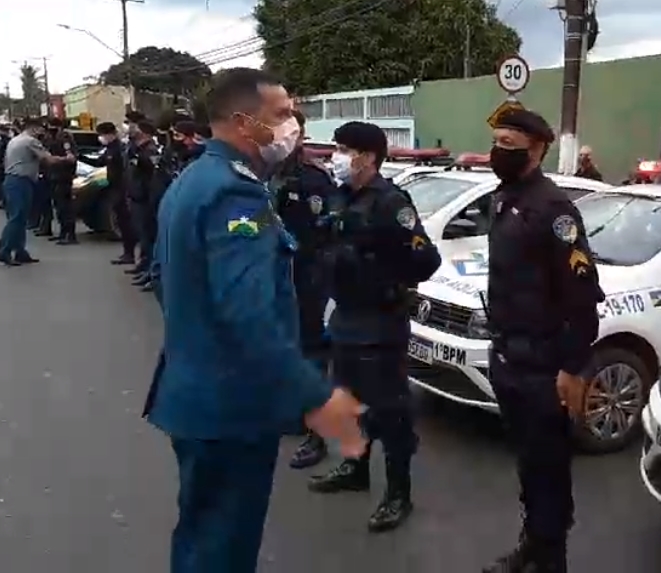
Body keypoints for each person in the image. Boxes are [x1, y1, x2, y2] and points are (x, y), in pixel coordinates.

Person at [143, 67, 366, 573]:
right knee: (224, 548)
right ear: (246, 123)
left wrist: (198, 338)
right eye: (282, 114)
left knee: (200, 535)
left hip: (196, 395)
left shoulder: (192, 180)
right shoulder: (235, 193)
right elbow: (249, 314)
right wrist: (317, 397)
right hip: (232, 409)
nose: (292, 125)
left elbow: (162, 276)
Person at [482, 109, 604, 573]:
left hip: (544, 366)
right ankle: (532, 543)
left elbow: (581, 297)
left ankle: (552, 559)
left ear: (538, 150)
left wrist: (573, 368)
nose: (500, 151)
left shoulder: (554, 210)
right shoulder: (503, 198)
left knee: (549, 470)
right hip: (508, 356)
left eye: (510, 145)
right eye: (497, 141)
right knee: (529, 466)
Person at [306, 120, 440, 533]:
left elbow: (425, 261)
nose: (337, 156)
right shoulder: (340, 195)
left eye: (345, 149)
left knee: (391, 412)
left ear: (367, 157)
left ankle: (398, 493)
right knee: (349, 403)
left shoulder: (389, 203)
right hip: (345, 318)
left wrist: (384, 266)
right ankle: (355, 468)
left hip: (380, 325)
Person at [271, 109, 341, 470]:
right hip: (277, 276)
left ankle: (317, 434)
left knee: (313, 352)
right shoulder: (264, 175)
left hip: (310, 276)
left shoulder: (315, 179)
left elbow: (330, 231)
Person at [0, 117, 74, 266]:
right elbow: (48, 159)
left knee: (20, 218)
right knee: (17, 218)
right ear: (34, 128)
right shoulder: (30, 141)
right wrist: (67, 159)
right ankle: (4, 251)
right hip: (21, 181)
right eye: (41, 129)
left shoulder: (16, 140)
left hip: (12, 180)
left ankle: (20, 251)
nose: (42, 132)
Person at [82, 122, 136, 266]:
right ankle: (127, 253)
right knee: (121, 220)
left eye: (102, 134)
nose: (101, 138)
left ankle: (129, 253)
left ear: (110, 134)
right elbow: (100, 162)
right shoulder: (110, 148)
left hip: (121, 188)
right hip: (113, 187)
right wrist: (81, 158)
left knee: (125, 222)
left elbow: (125, 169)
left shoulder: (120, 149)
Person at [127, 121, 161, 288]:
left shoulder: (150, 150)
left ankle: (150, 273)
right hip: (136, 196)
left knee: (148, 236)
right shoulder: (136, 148)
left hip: (145, 198)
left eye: (137, 129)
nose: (133, 130)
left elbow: (150, 170)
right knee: (142, 235)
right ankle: (143, 267)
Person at [44, 119, 79, 245]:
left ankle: (70, 234)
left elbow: (71, 158)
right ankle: (63, 233)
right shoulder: (51, 138)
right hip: (54, 176)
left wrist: (57, 160)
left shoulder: (65, 138)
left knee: (66, 207)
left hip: (63, 176)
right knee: (59, 207)